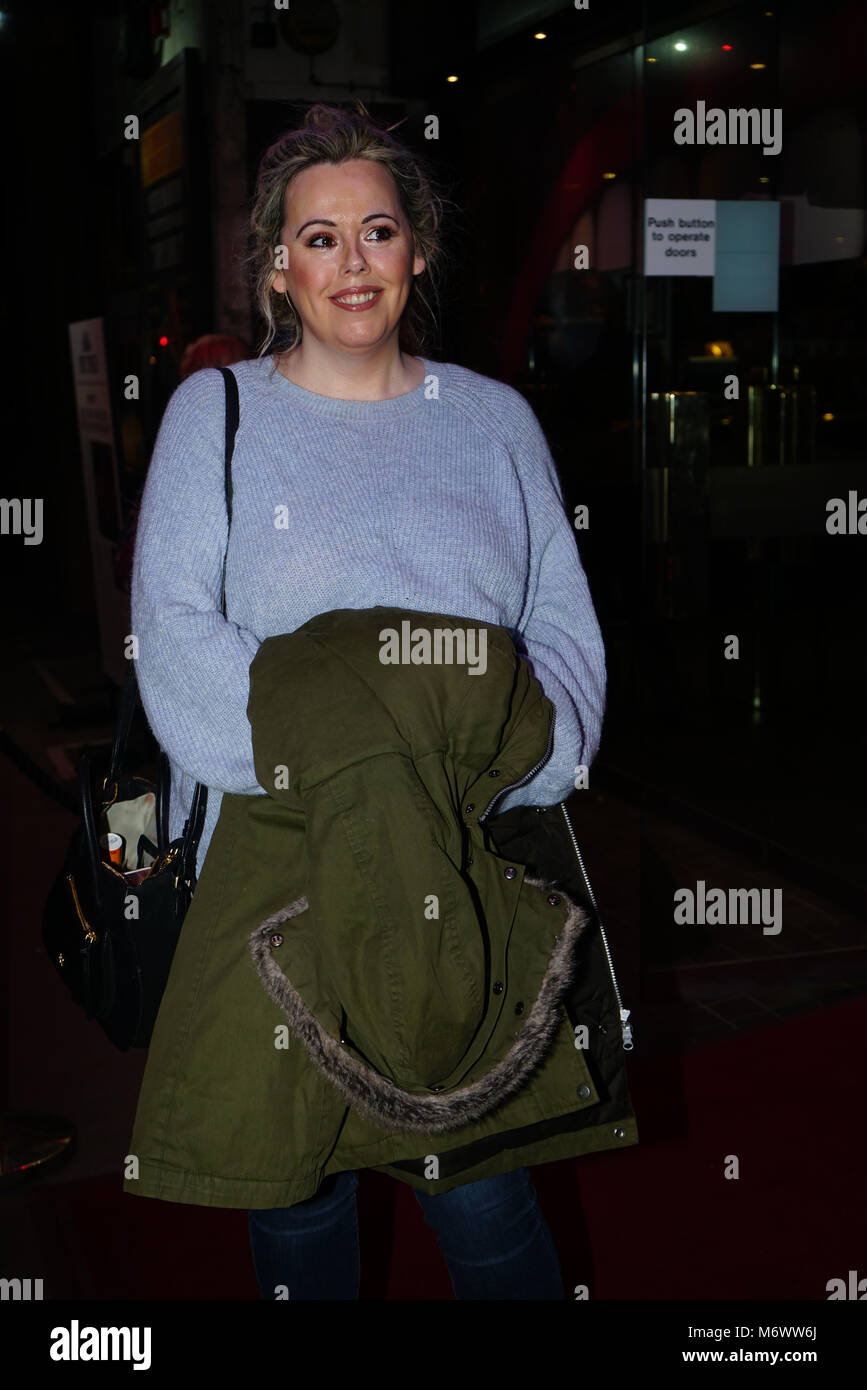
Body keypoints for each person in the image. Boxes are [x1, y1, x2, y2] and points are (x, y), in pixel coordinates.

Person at [128, 101, 634, 1300]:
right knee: (299, 1192)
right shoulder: (221, 415)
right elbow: (179, 645)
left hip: (461, 853)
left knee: (485, 1187)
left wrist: (527, 757)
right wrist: (351, 754)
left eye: (377, 231)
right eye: (318, 239)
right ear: (274, 268)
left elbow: (558, 629)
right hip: (279, 856)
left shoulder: (496, 421)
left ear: (418, 250)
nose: (351, 263)